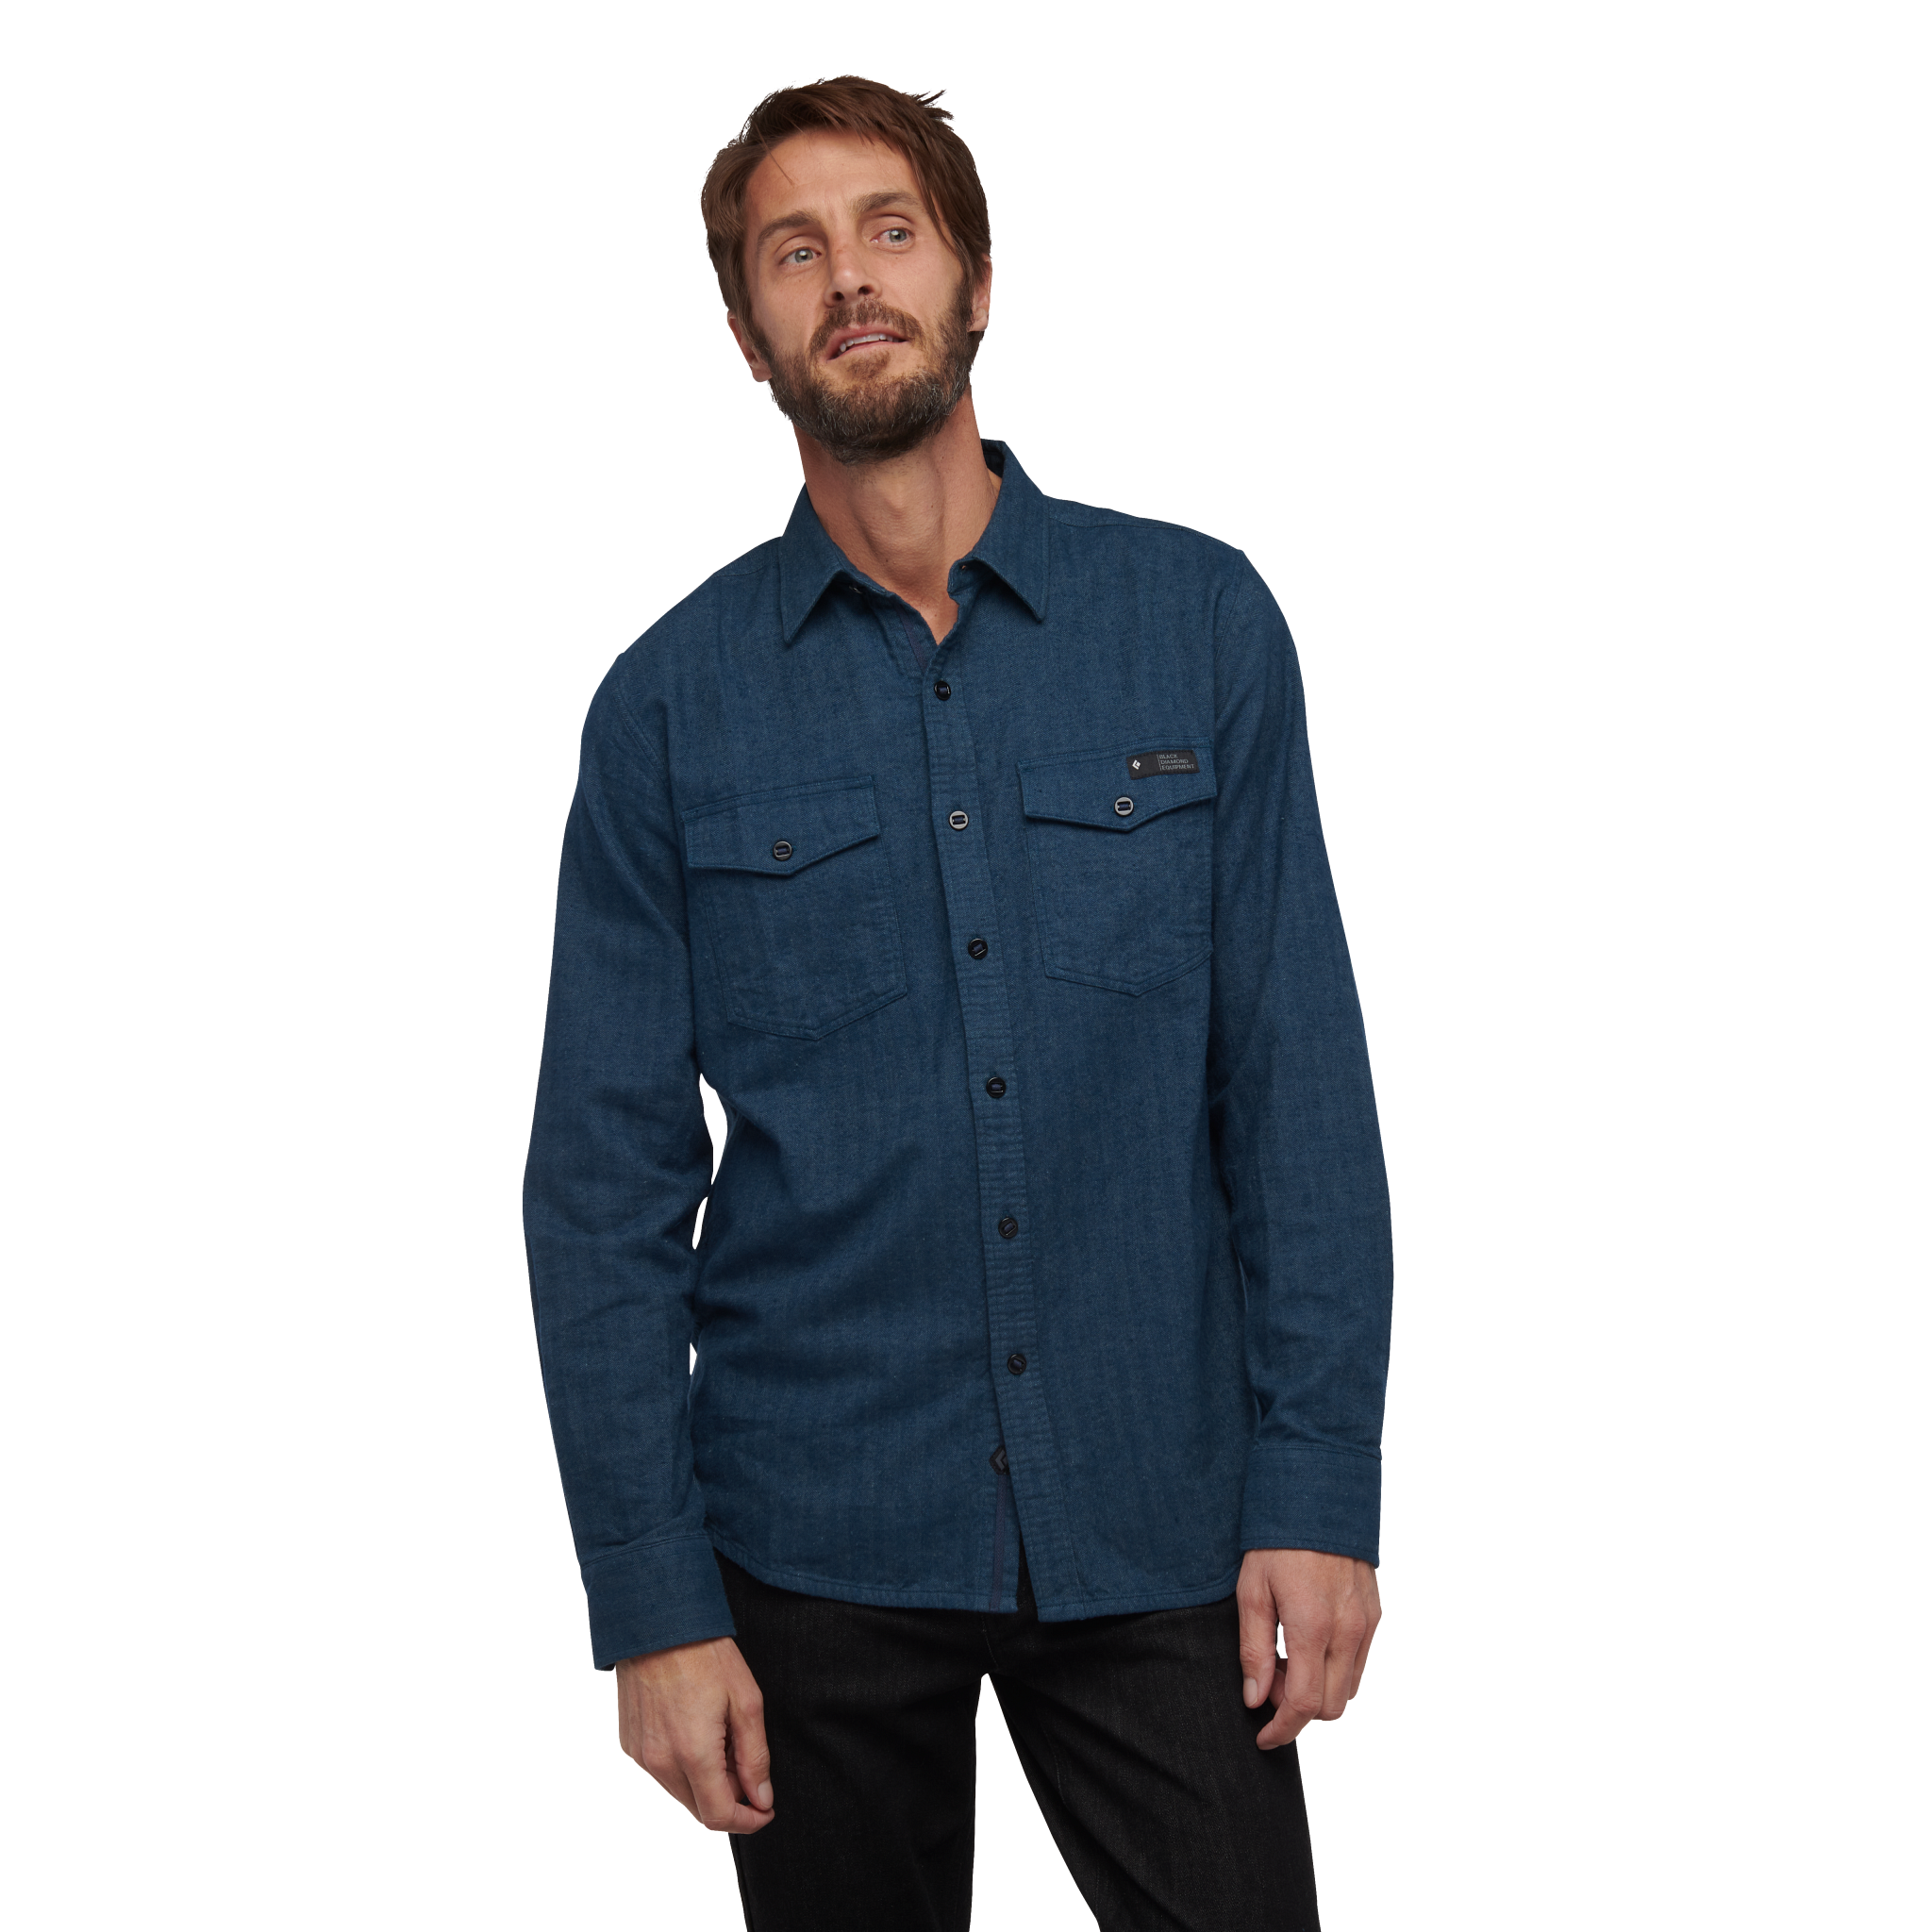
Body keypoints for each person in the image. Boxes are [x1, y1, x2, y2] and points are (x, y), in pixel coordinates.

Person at [523, 74, 1393, 1932]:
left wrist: (1319, 1493)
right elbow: (602, 1191)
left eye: (891, 230)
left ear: (977, 285)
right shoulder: (662, 710)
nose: (850, 278)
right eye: (794, 251)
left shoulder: (1202, 623)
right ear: (747, 337)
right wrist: (651, 1602)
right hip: (811, 1540)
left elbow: (1297, 1093)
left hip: (1162, 1514)